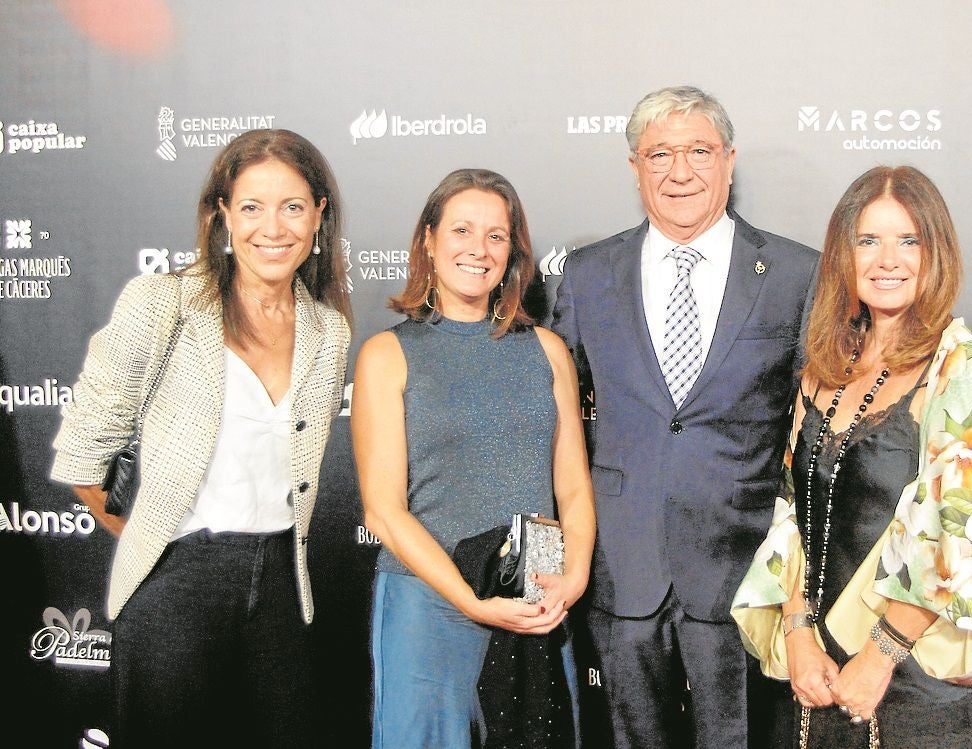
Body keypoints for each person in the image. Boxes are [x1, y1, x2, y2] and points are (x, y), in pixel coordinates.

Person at [49, 128, 352, 747]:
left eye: (293, 206)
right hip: (176, 584)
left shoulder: (329, 332)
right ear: (222, 215)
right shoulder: (164, 303)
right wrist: (159, 538)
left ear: (319, 215)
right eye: (251, 207)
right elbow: (84, 455)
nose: (274, 227)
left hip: (282, 589)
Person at [732, 166, 972, 748]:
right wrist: (797, 632)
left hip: (913, 682)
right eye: (867, 241)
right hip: (812, 674)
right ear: (843, 255)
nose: (886, 259)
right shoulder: (826, 363)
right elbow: (790, 512)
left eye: (908, 241)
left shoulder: (959, 368)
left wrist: (878, 658)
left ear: (935, 253)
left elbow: (968, 539)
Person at [550, 85, 818, 748]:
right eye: (658, 154)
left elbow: (817, 432)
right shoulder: (585, 274)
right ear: (634, 167)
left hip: (744, 566)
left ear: (728, 160)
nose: (679, 171)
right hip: (621, 562)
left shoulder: (795, 272)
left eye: (698, 151)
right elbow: (550, 422)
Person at [352, 168, 595, 748]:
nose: (478, 249)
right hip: (427, 607)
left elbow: (575, 490)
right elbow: (383, 512)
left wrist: (574, 578)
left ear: (512, 253)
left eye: (496, 235)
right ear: (429, 241)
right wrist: (473, 603)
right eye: (462, 230)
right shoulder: (387, 355)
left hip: (534, 607)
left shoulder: (546, 350)